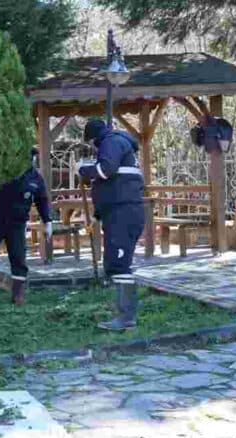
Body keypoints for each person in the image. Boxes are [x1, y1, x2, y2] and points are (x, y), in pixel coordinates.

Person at [78, 119, 145, 331]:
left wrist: (84, 170)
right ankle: (124, 316)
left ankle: (126, 318)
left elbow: (105, 170)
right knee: (115, 264)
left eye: (91, 144)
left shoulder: (111, 142)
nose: (93, 148)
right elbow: (111, 186)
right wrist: (97, 216)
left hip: (122, 215)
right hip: (118, 213)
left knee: (119, 265)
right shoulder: (116, 143)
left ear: (93, 138)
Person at [0, 148, 52, 305]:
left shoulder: (35, 178)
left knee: (18, 258)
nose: (30, 161)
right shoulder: (2, 171)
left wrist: (47, 222)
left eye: (32, 158)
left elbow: (42, 200)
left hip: (17, 223)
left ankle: (18, 295)